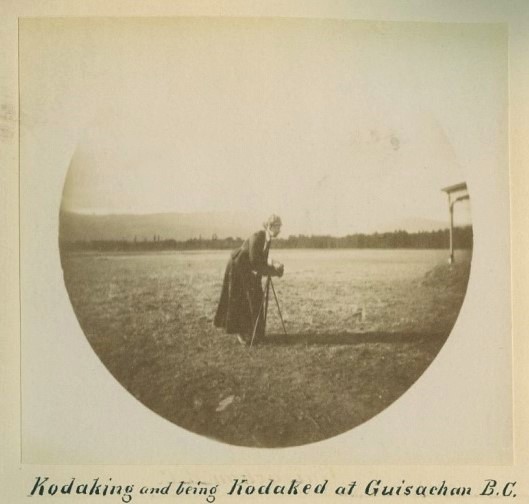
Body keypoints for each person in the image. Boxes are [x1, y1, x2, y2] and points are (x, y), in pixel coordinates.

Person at [214, 214, 284, 345]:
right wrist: (273, 270)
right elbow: (254, 261)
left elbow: (261, 259)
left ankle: (255, 333)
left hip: (248, 268)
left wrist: (274, 264)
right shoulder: (258, 236)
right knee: (240, 299)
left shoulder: (267, 239)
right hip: (237, 267)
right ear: (270, 226)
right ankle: (243, 334)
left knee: (255, 297)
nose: (279, 230)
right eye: (277, 227)